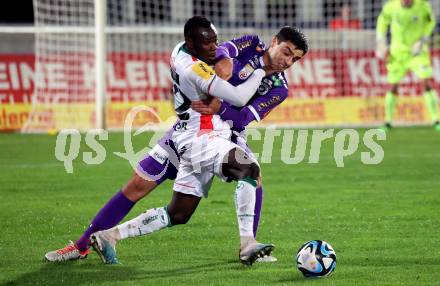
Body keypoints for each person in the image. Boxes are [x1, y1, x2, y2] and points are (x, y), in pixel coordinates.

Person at [44, 16, 284, 266]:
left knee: (180, 213)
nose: (287, 61)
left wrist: (222, 73)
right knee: (140, 185)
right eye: (286, 52)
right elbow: (233, 84)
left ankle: (109, 236)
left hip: (215, 131)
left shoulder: (279, 86)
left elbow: (242, 113)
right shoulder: (241, 47)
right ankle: (81, 245)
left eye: (295, 58)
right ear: (274, 42)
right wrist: (254, 73)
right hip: (196, 133)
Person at [376, 0, 439, 130]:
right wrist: (381, 42)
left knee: (426, 82)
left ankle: (436, 120)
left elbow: (431, 22)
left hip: (417, 50)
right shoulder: (390, 7)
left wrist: (423, 39)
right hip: (397, 53)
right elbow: (381, 23)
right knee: (393, 85)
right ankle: (388, 122)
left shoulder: (422, 6)